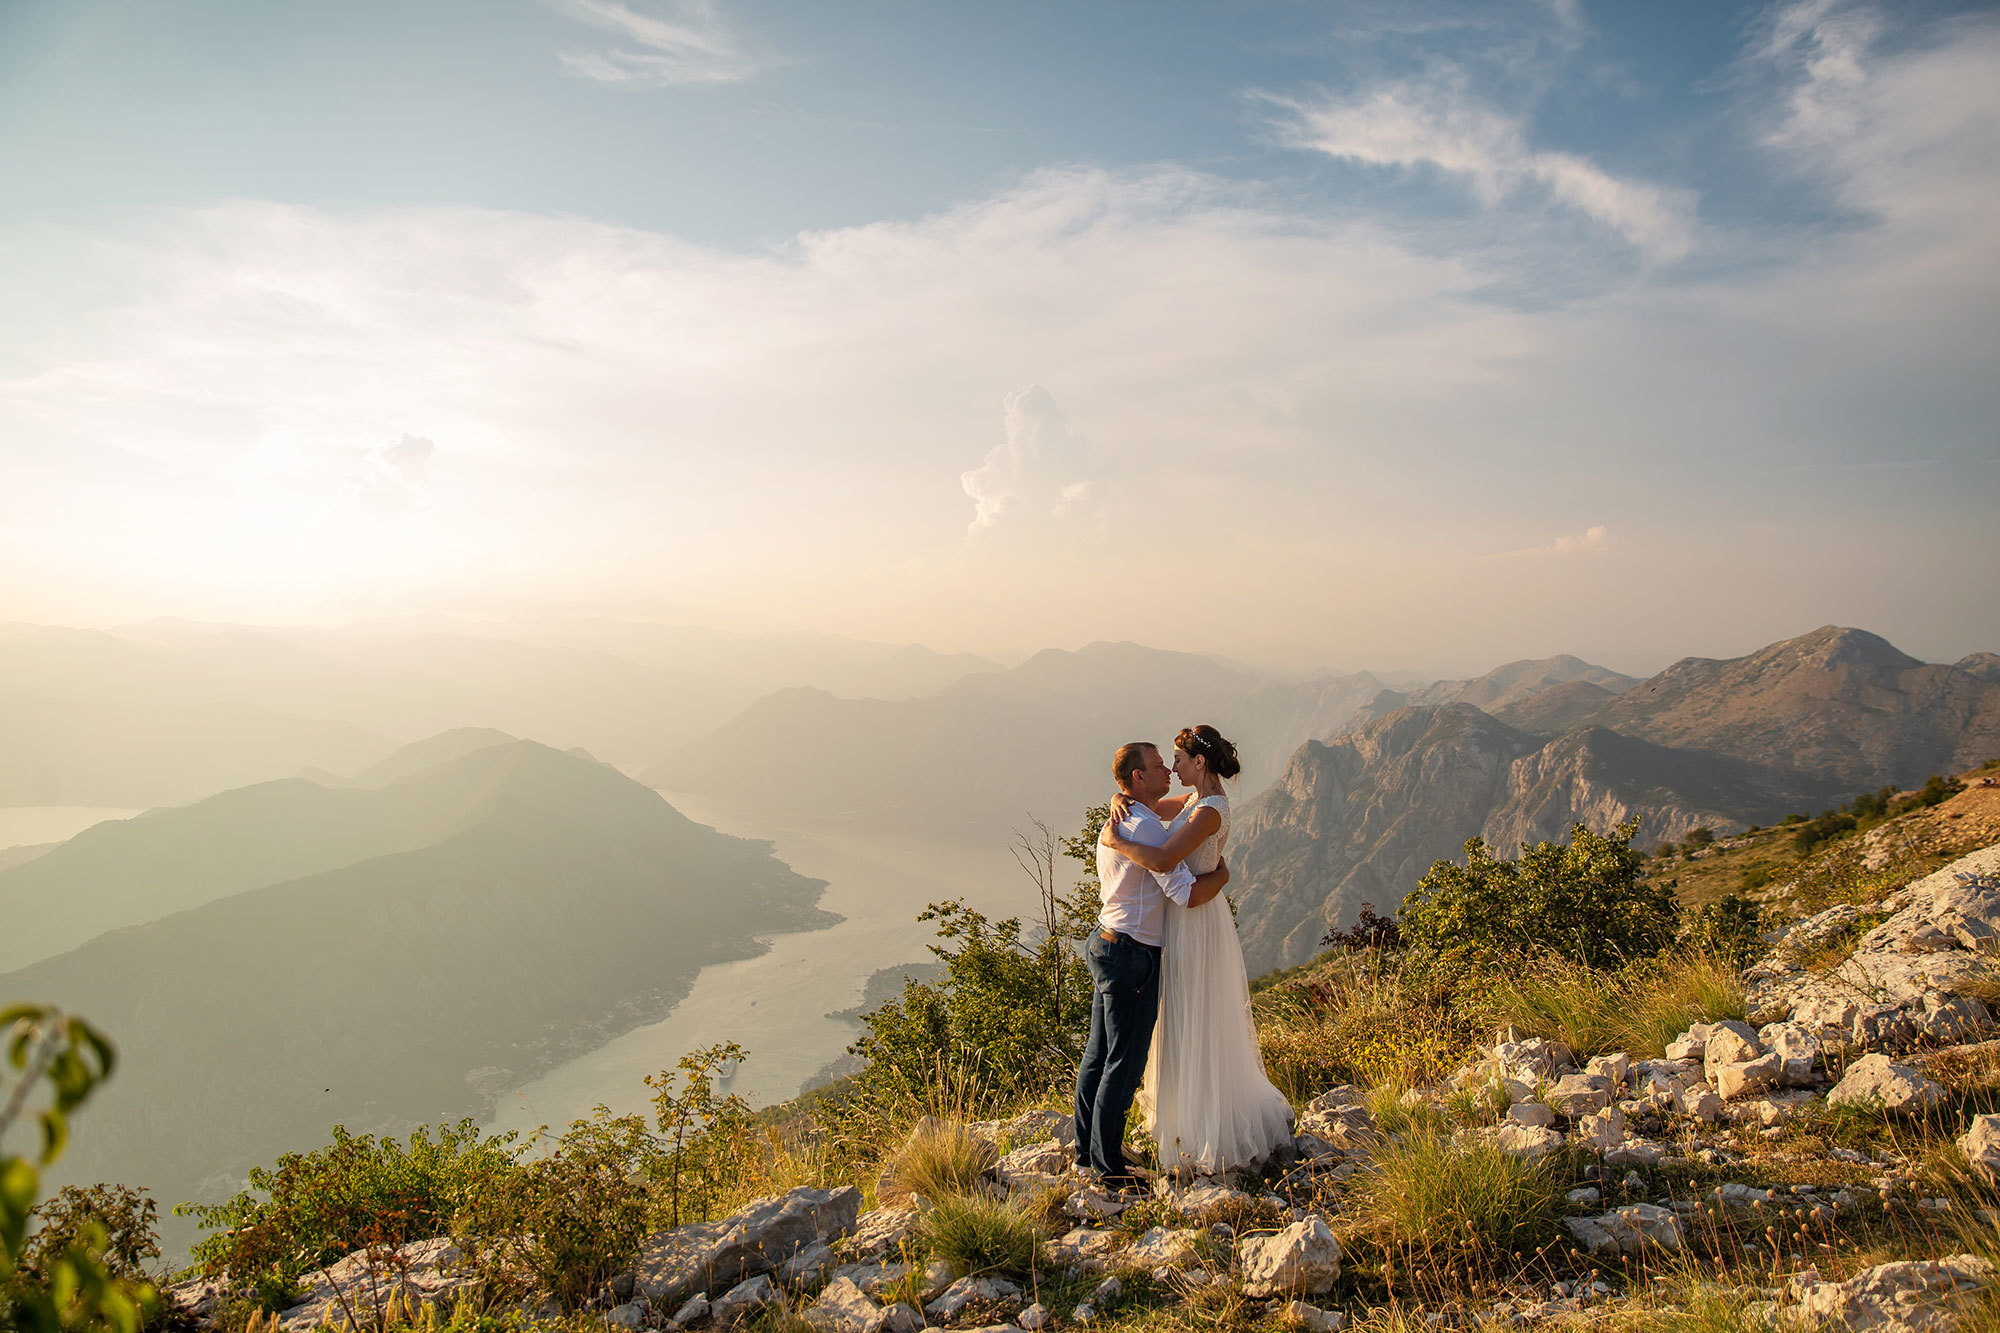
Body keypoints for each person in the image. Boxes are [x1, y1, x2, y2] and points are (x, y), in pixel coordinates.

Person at [1101, 724, 1294, 1176]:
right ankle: (1189, 1124)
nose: (1172, 766)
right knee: (1183, 1017)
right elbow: (1146, 805)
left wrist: (1118, 842)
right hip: (1185, 917)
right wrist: (1117, 799)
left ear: (1199, 763)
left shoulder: (1209, 811)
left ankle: (1211, 1130)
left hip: (1196, 919)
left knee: (1198, 1017)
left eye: (1179, 760)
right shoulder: (1193, 801)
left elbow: (1166, 861)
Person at [1074, 741, 1232, 1190]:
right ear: (1139, 777)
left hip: (1105, 942)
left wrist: (1117, 795)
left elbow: (1190, 801)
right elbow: (1184, 892)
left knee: (1098, 1056)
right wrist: (1222, 876)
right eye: (1160, 765)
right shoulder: (1142, 829)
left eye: (1172, 763)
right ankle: (1109, 1174)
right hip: (1132, 953)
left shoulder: (1127, 816)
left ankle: (1086, 1155)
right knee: (1124, 1065)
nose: (1168, 770)